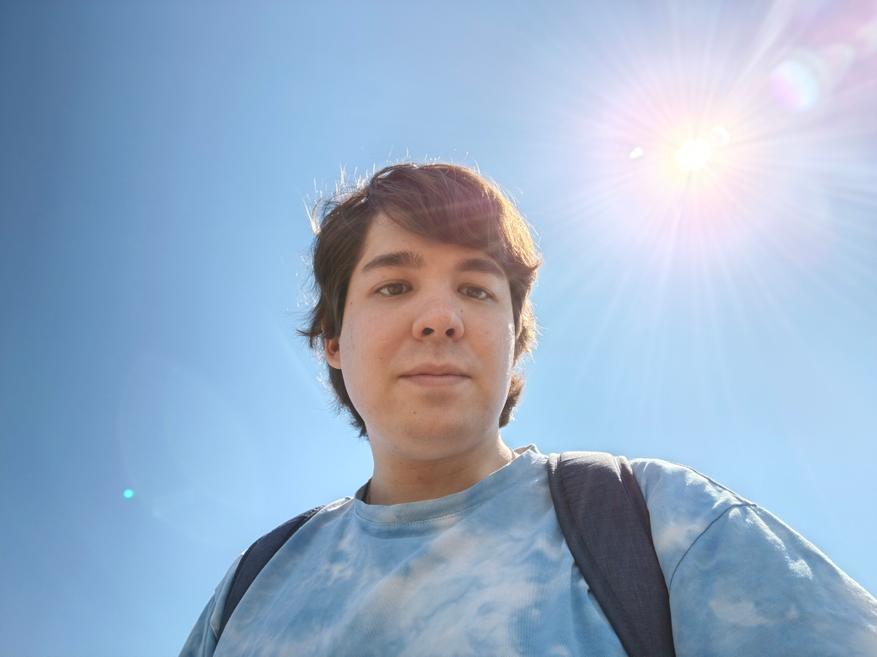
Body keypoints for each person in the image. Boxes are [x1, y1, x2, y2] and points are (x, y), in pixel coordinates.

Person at [179, 162, 877, 656]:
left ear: (515, 340)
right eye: (394, 287)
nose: (440, 318)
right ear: (333, 340)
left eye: (477, 290)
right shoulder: (252, 588)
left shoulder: (669, 523)